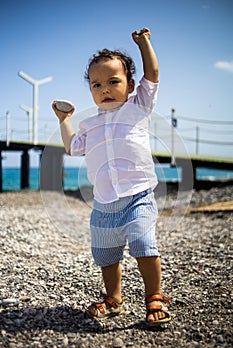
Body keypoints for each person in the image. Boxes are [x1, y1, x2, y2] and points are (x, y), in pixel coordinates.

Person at [52, 28, 171, 326]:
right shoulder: (89, 125)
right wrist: (65, 120)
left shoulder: (138, 107)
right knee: (106, 255)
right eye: (97, 84)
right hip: (103, 202)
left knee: (144, 244)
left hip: (138, 195)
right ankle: (113, 298)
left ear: (130, 86)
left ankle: (154, 295)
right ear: (91, 90)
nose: (104, 89)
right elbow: (71, 147)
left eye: (113, 82)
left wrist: (144, 43)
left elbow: (153, 74)